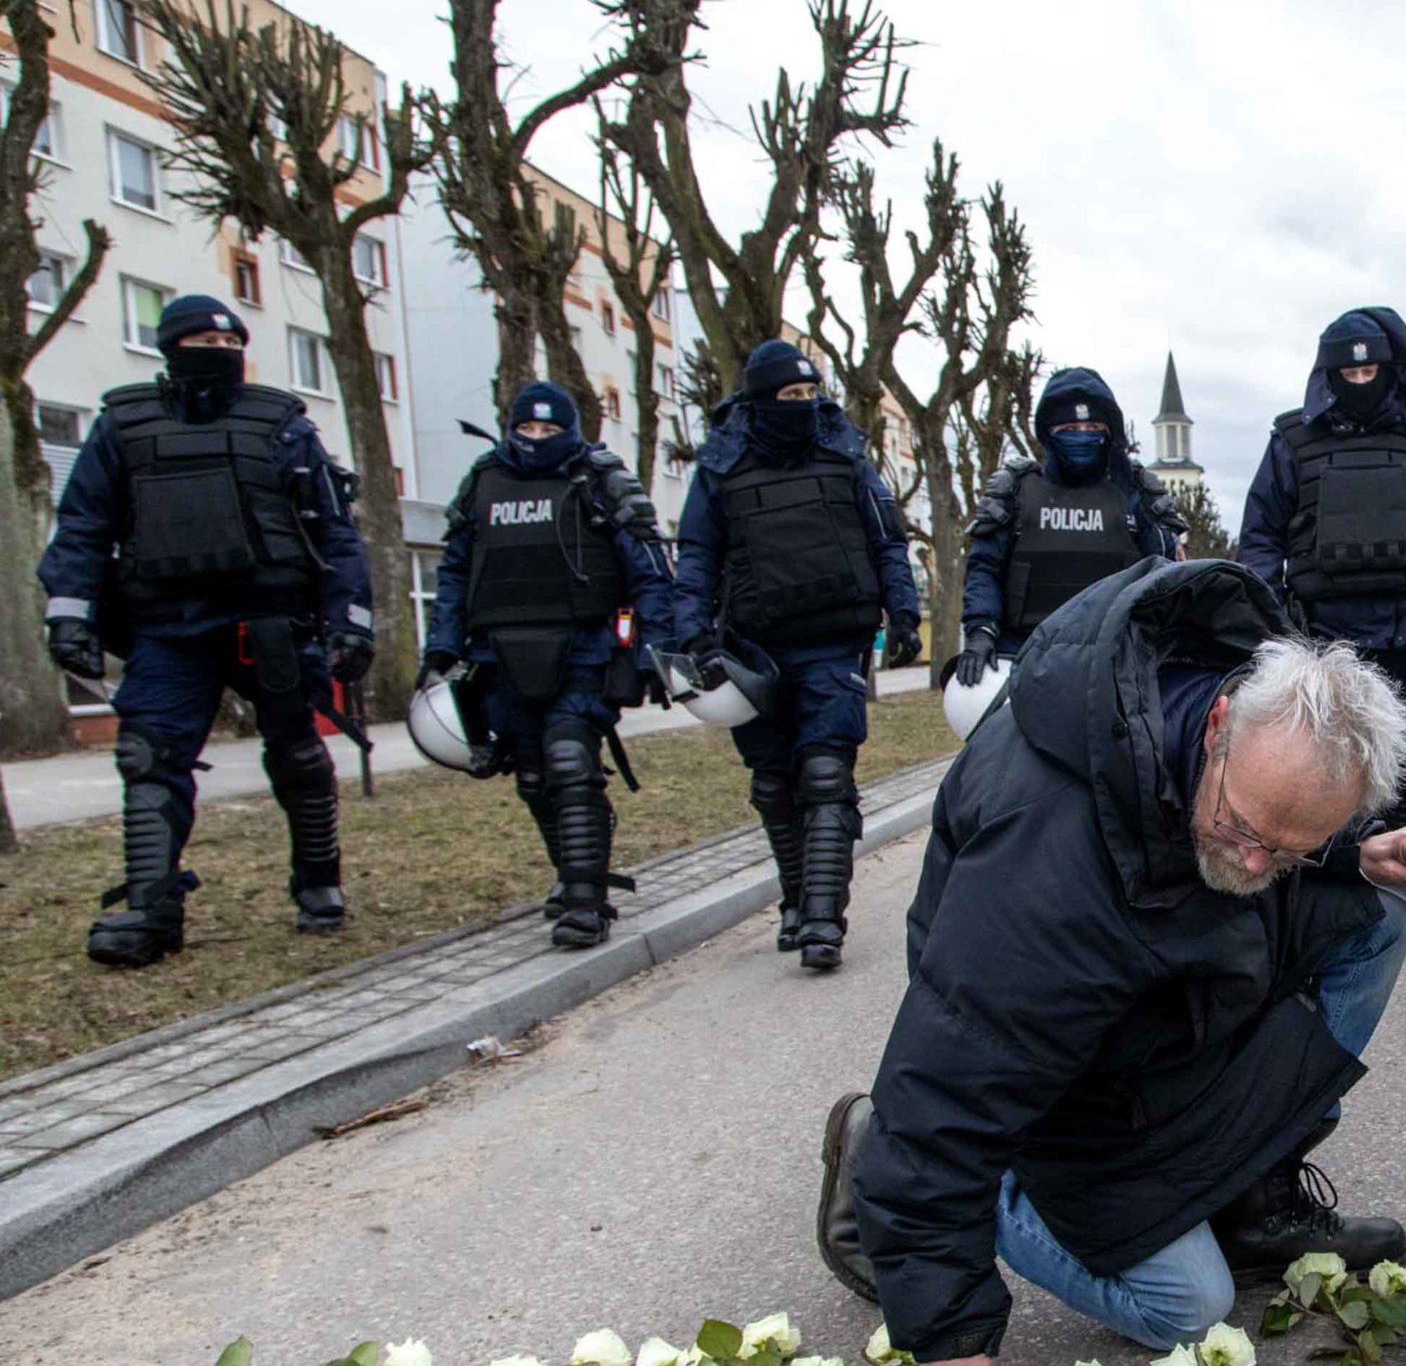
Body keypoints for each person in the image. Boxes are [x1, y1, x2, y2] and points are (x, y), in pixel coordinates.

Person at [815, 559, 1406, 1366]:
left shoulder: (1233, 758)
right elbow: (956, 1073)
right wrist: (945, 1318)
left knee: (1380, 912)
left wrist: (1341, 856)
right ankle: (899, 1162)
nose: (1256, 867)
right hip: (1061, 1090)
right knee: (1187, 1307)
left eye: (1288, 850)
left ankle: (1245, 1194)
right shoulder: (1050, 858)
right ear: (1219, 724)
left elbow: (1272, 835)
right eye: (1247, 832)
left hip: (1155, 1014)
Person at [40, 294, 374, 968]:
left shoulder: (283, 424)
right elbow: (82, 524)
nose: (216, 354)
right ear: (168, 347)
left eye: (229, 346)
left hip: (269, 619)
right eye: (200, 342)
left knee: (300, 757)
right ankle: (150, 909)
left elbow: (336, 532)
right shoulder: (123, 427)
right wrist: (69, 610)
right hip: (170, 626)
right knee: (147, 758)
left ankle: (319, 886)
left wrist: (349, 621)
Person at [673, 340, 923, 970]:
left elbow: (887, 540)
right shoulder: (721, 469)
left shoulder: (846, 457)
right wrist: (692, 635)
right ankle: (794, 902)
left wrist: (905, 613)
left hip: (833, 642)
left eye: (812, 395)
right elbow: (696, 556)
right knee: (773, 783)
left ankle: (822, 920)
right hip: (754, 649)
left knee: (826, 776)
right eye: (790, 396)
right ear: (761, 401)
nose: (804, 406)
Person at [421, 381, 677, 948]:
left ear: (572, 430)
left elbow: (649, 570)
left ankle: (587, 903)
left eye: (551, 430)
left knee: (570, 761)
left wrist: (651, 653)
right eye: (528, 429)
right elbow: (454, 573)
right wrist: (440, 650)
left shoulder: (602, 480)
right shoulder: (483, 481)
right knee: (534, 779)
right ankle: (574, 870)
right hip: (499, 658)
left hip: (583, 652)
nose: (538, 440)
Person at [1239, 308, 1406, 827]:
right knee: (1326, 764)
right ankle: (1336, 882)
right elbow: (1261, 536)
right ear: (1330, 376)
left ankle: (1394, 870)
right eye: (1351, 374)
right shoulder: (1292, 442)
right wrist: (1269, 624)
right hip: (1324, 636)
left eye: (1372, 373)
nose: (1363, 383)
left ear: (1390, 371)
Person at [951, 367, 1181, 685]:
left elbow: (1167, 578)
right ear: (1049, 431)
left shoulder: (1136, 495)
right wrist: (980, 630)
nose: (1082, 434)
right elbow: (984, 569)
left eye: (1092, 426)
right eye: (1071, 426)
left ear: (1108, 431)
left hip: (1114, 661)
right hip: (1023, 657)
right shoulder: (1015, 491)